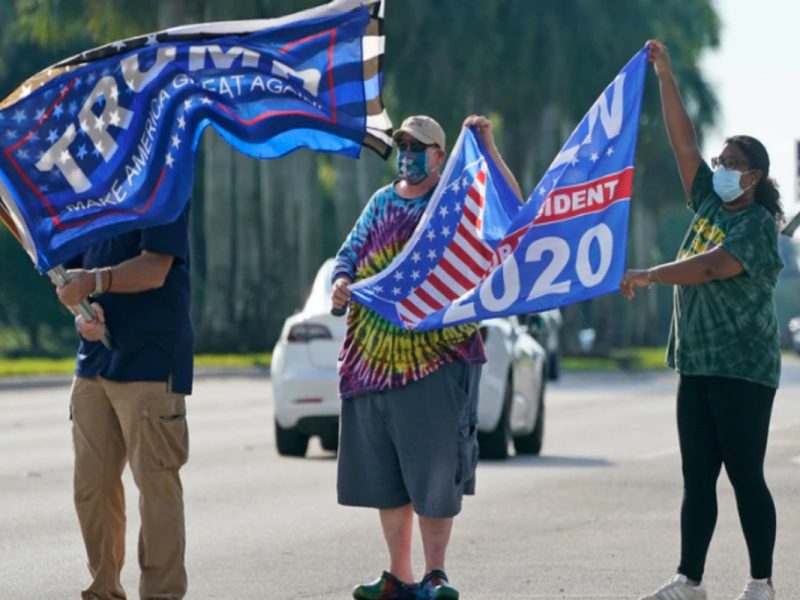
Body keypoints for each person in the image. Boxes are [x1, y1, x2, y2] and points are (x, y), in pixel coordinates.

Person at [331, 114, 522, 600]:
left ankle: (435, 574)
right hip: (373, 360)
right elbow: (349, 253)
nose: (408, 154)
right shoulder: (381, 202)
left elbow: (511, 213)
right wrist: (340, 282)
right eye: (403, 145)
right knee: (386, 476)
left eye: (419, 147)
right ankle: (399, 574)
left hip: (436, 360)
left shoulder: (454, 204)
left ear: (440, 156)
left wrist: (490, 148)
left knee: (435, 472)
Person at [622, 40, 783, 600]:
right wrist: (666, 75)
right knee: (697, 480)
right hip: (697, 364)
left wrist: (650, 273)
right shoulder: (710, 204)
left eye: (732, 164)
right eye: (720, 161)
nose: (719, 168)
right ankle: (690, 579)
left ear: (754, 176)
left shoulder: (758, 225)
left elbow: (713, 268)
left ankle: (760, 582)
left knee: (744, 476)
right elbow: (682, 140)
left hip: (743, 369)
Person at [55, 207, 194, 600]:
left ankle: (161, 594)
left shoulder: (163, 177)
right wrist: (81, 315)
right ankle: (103, 591)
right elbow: (71, 278)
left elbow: (155, 269)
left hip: (152, 355)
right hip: (95, 359)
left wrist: (94, 282)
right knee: (91, 487)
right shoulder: (95, 185)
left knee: (156, 487)